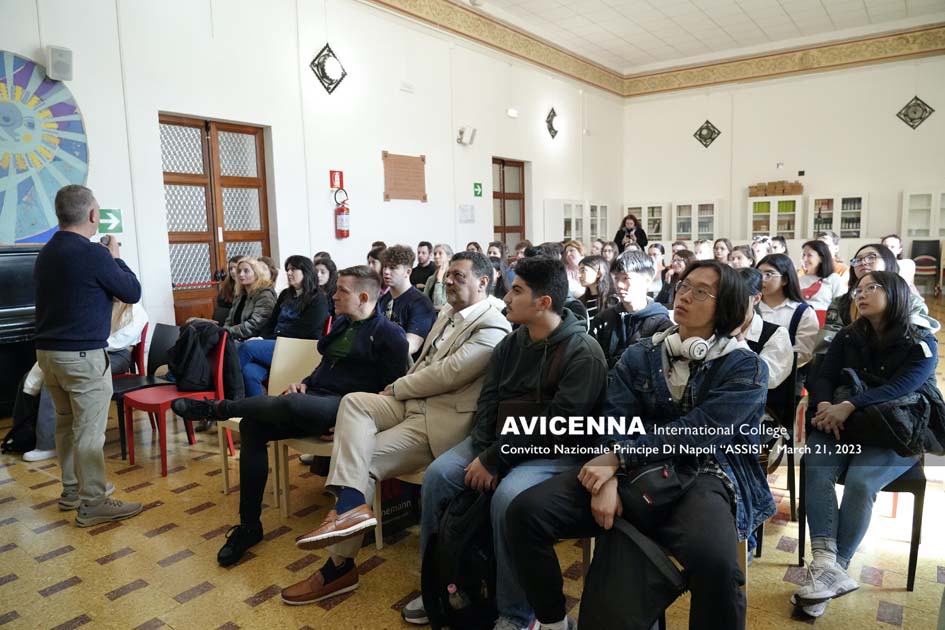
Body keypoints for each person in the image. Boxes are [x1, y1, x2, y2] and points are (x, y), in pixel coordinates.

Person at [506, 260, 774, 630]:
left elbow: (698, 432)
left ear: (725, 305)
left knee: (718, 566)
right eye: (684, 286)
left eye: (701, 292)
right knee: (525, 512)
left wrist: (619, 457)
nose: (684, 296)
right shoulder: (642, 354)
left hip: (704, 475)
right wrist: (609, 479)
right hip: (634, 470)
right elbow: (614, 419)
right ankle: (553, 621)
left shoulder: (746, 367)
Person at [282, 252, 512, 606]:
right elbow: (421, 363)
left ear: (483, 282)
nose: (449, 281)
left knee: (360, 461)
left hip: (437, 420)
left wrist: (397, 387)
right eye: (448, 274)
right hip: (411, 403)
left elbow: (448, 374)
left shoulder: (493, 326)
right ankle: (352, 506)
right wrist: (400, 389)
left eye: (459, 276)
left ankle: (338, 567)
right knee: (354, 402)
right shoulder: (447, 315)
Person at [413, 255, 607, 630]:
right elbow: (489, 403)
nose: (506, 298)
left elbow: (559, 426)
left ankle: (517, 613)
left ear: (543, 302)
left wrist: (495, 459)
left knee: (508, 496)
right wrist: (487, 450)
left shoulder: (583, 352)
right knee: (439, 476)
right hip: (501, 442)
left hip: (557, 452)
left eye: (516, 290)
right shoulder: (511, 344)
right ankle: (437, 585)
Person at [171, 266, 409, 567]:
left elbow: (390, 394)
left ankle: (218, 409)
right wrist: (305, 382)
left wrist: (351, 425)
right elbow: (325, 367)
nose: (334, 295)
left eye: (342, 291)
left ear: (363, 297)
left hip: (347, 409)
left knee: (294, 404)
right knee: (253, 426)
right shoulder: (342, 323)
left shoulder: (390, 335)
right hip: (315, 399)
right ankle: (249, 526)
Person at [793, 270, 937, 619]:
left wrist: (849, 405)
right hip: (841, 424)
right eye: (858, 289)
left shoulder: (921, 341)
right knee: (816, 466)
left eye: (872, 287)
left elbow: (901, 388)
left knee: (860, 482)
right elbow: (824, 376)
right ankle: (827, 566)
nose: (861, 293)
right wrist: (825, 405)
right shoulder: (849, 334)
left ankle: (832, 572)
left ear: (897, 294)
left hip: (895, 432)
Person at [34, 185, 144, 526]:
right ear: (93, 215)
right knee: (89, 432)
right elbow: (131, 290)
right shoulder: (93, 254)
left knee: (66, 425)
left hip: (48, 355)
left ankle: (72, 491)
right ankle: (93, 502)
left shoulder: (46, 251)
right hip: (82, 356)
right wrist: (115, 256)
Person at [22, 300, 149, 463]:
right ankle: (28, 436)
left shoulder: (136, 310)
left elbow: (119, 342)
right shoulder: (101, 302)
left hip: (117, 355)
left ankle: (48, 444)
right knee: (47, 374)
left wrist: (85, 346)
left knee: (61, 375)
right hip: (90, 351)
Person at [814, 244, 940, 360]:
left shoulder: (911, 302)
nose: (863, 262)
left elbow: (915, 341)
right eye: (857, 260)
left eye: (871, 257)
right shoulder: (841, 302)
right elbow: (826, 345)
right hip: (848, 365)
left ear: (888, 261)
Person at [237, 256, 330, 397]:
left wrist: (273, 338)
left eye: (293, 269)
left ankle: (226, 389)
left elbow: (304, 330)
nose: (289, 273)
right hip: (277, 344)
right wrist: (261, 338)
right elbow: (271, 323)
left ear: (306, 272)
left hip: (298, 348)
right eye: (287, 269)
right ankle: (258, 409)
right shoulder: (286, 294)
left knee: (247, 347)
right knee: (249, 371)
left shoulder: (318, 298)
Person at [590, 250, 673, 370]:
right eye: (616, 278)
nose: (619, 285)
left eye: (626, 278)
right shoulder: (603, 319)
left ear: (647, 281)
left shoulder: (661, 325)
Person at [756, 254, 820, 368]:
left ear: (785, 280)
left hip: (786, 373)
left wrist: (767, 366)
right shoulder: (749, 307)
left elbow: (803, 353)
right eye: (758, 274)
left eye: (768, 274)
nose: (761, 279)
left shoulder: (803, 312)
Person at [735, 268, 793, 390]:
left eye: (738, 296)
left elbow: (769, 378)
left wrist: (738, 337)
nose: (730, 303)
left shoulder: (776, 334)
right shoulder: (713, 328)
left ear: (756, 298)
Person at [378, 245, 437, 358]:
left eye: (393, 268)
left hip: (408, 365)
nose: (386, 272)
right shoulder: (383, 300)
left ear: (408, 272)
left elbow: (410, 346)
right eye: (385, 267)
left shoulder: (421, 303)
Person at [222, 257, 278, 341]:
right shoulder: (240, 294)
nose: (241, 274)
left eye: (246, 271)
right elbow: (229, 320)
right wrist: (224, 332)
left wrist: (228, 332)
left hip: (255, 339)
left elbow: (256, 324)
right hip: (236, 338)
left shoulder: (265, 294)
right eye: (239, 271)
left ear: (256, 273)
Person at [800, 240, 845, 311]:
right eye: (803, 255)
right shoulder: (799, 280)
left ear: (821, 258)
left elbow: (841, 305)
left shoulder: (834, 279)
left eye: (809, 255)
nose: (804, 259)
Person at [577, 255, 615, 320]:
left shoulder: (613, 299)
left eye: (583, 271)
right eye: (579, 271)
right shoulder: (580, 302)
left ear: (598, 273)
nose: (579, 275)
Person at [423, 243, 454, 311]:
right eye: (435, 254)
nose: (436, 256)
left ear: (449, 257)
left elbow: (439, 304)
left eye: (440, 253)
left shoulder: (452, 279)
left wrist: (439, 281)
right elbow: (424, 302)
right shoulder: (430, 279)